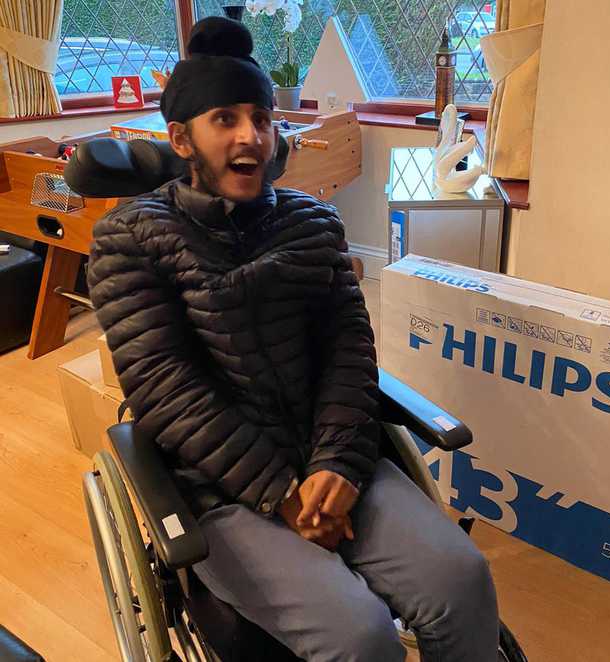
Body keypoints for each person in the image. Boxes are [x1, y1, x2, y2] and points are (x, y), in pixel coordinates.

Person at [87, 16, 498, 662]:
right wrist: (283, 492)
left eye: (262, 118)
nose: (251, 135)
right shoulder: (128, 241)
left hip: (334, 459)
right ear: (181, 138)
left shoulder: (312, 223)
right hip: (224, 491)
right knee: (360, 636)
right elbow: (167, 390)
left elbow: (348, 349)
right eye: (225, 118)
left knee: (464, 580)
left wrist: (336, 463)